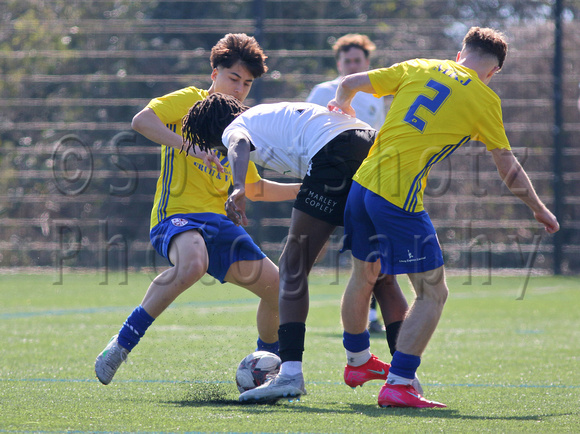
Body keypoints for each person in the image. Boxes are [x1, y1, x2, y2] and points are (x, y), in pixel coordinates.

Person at [328, 26, 560, 408]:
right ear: (492, 71)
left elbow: (351, 81)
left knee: (363, 275)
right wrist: (538, 208)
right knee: (434, 292)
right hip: (397, 196)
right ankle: (400, 382)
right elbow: (507, 165)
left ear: (460, 53)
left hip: (363, 185)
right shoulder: (484, 97)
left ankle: (356, 361)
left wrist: (342, 102)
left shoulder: (421, 65)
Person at [94, 33, 301, 385]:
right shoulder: (191, 101)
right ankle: (123, 343)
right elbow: (142, 121)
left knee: (278, 290)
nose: (239, 88)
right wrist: (187, 146)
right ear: (214, 74)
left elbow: (254, 188)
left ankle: (270, 369)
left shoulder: (241, 129)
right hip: (177, 217)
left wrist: (307, 188)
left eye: (247, 83)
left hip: (220, 225)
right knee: (193, 262)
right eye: (233, 78)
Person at [179, 93, 410, 403]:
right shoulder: (268, 114)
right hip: (376, 148)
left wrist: (237, 187)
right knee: (378, 272)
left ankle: (289, 374)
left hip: (336, 150)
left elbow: (237, 142)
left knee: (292, 266)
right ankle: (402, 379)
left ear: (210, 133)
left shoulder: (235, 127)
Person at [308, 33, 389, 335]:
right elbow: (306, 131)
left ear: (366, 63)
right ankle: (286, 303)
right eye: (348, 60)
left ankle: (368, 316)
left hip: (366, 181)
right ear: (338, 63)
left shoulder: (376, 95)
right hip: (327, 181)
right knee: (309, 247)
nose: (353, 64)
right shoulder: (321, 92)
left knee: (370, 247)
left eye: (358, 60)